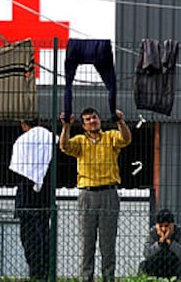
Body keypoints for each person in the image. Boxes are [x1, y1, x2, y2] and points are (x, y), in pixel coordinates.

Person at [59, 107, 131, 282]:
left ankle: (108, 278)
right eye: (88, 119)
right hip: (87, 194)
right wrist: (66, 126)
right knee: (87, 241)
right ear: (83, 126)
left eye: (95, 118)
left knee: (108, 243)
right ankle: (86, 278)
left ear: (99, 120)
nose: (93, 121)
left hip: (108, 192)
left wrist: (121, 121)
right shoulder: (80, 141)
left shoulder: (110, 136)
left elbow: (126, 139)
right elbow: (64, 146)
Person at [9, 118, 56, 281]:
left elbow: (17, 167)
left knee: (29, 237)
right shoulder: (50, 138)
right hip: (46, 196)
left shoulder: (22, 141)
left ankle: (35, 272)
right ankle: (46, 270)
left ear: (23, 124)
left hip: (26, 195)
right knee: (44, 234)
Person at [139, 208, 181, 278]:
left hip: (175, 262)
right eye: (161, 226)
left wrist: (170, 242)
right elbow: (147, 254)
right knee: (143, 264)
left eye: (166, 226)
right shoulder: (153, 232)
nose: (163, 229)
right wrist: (160, 242)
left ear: (172, 224)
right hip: (157, 261)